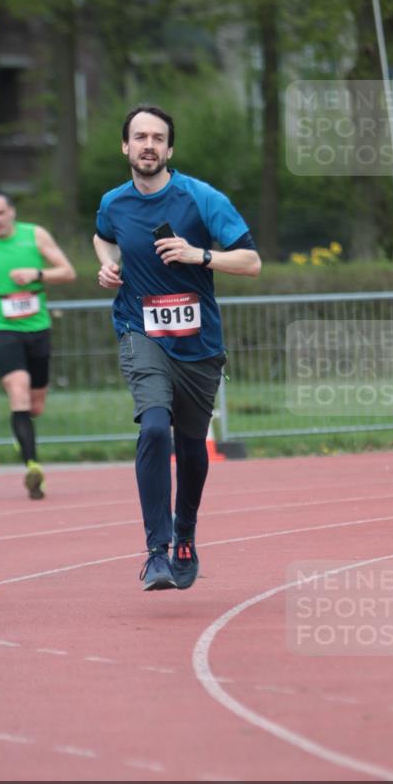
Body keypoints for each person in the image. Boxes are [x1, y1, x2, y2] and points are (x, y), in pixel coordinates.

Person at [93, 104, 261, 591]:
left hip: (198, 343)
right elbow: (102, 237)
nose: (148, 145)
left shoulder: (201, 198)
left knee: (190, 447)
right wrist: (109, 265)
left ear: (169, 149)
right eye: (140, 137)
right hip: (140, 331)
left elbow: (251, 262)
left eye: (158, 138)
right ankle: (156, 552)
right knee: (153, 428)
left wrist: (198, 254)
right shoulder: (113, 202)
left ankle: (185, 532)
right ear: (125, 146)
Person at [0, 191, 76, 499]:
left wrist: (36, 274)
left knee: (34, 406)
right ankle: (33, 467)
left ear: (11, 212)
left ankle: (21, 431)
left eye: (0, 213)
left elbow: (68, 272)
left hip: (37, 326)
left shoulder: (34, 235)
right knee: (17, 387)